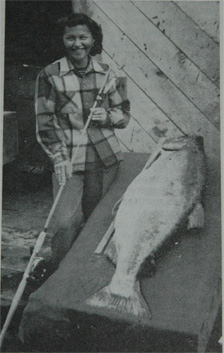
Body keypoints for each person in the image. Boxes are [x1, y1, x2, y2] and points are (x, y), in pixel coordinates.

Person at [35, 13, 130, 267]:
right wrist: (59, 158)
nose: (78, 43)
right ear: (62, 41)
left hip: (104, 161)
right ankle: (61, 277)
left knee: (97, 222)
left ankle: (86, 277)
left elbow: (124, 116)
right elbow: (45, 124)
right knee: (66, 223)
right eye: (70, 38)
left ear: (93, 39)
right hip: (69, 161)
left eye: (83, 37)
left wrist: (107, 116)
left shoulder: (108, 74)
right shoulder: (49, 74)